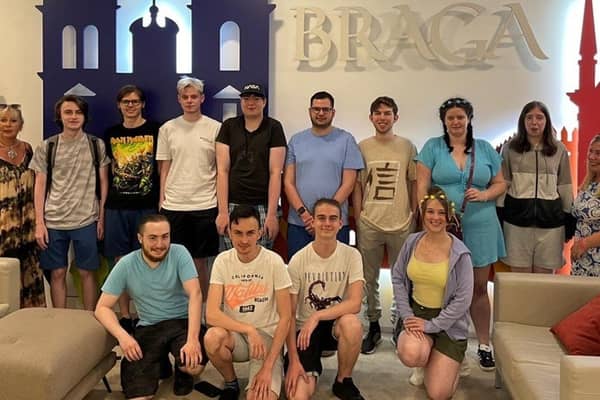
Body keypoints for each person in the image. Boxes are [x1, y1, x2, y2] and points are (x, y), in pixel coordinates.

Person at [416, 97, 505, 371]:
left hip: (482, 225)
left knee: (478, 288)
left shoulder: (485, 148)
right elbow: (421, 186)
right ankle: (450, 346)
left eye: (460, 117)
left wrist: (485, 193)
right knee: (446, 289)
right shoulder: (432, 147)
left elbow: (501, 183)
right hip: (443, 227)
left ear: (469, 119)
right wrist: (426, 219)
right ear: (444, 121)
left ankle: (484, 344)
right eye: (451, 118)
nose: (456, 122)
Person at [95, 214, 207, 399]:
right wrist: (124, 337)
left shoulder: (179, 253)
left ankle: (182, 370)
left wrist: (193, 339)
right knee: (137, 395)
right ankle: (160, 362)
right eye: (153, 238)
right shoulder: (126, 264)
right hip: (149, 326)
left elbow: (195, 294)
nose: (160, 244)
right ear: (140, 238)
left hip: (182, 321)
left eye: (165, 236)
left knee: (192, 365)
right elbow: (102, 307)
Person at [391, 186, 474, 399]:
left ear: (449, 217)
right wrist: (407, 315)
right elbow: (398, 277)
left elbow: (463, 300)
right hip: (417, 315)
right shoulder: (412, 242)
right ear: (422, 213)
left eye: (441, 213)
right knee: (411, 354)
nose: (435, 217)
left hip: (449, 324)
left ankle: (453, 361)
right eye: (430, 212)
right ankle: (425, 359)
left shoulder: (461, 253)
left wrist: (433, 325)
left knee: (438, 393)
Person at [30, 95, 110, 311]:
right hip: (53, 220)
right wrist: (39, 222)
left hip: (86, 219)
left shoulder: (96, 145)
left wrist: (101, 218)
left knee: (87, 272)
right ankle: (59, 321)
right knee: (57, 273)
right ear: (60, 116)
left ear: (84, 116)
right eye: (68, 112)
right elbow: (39, 185)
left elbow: (104, 185)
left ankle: (89, 321)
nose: (73, 117)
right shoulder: (48, 147)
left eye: (78, 112)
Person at [204, 205, 292, 400]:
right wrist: (248, 330)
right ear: (229, 232)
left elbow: (286, 318)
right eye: (238, 233)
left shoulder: (274, 262)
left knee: (259, 397)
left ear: (260, 233)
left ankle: (272, 369)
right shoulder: (222, 261)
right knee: (212, 337)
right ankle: (230, 382)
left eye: (250, 233)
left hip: (267, 338)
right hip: (237, 336)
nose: (244, 240)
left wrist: (268, 367)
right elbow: (211, 314)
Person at [352, 96, 417, 354]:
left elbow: (413, 182)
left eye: (387, 113)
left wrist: (413, 212)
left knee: (404, 277)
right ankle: (374, 325)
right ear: (371, 117)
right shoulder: (362, 146)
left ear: (395, 117)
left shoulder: (407, 147)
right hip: (370, 222)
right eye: (377, 113)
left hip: (401, 222)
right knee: (369, 279)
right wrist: (359, 215)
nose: (382, 117)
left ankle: (401, 321)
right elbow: (358, 185)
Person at [285, 198, 365, 400]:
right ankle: (302, 366)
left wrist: (318, 316)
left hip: (334, 325)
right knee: (299, 396)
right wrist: (294, 358)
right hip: (305, 332)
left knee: (352, 324)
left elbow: (355, 303)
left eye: (332, 218)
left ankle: (343, 380)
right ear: (312, 221)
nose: (327, 223)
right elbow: (289, 314)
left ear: (341, 223)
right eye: (321, 218)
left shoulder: (352, 255)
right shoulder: (298, 259)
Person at [157, 76, 222, 298]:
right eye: (185, 97)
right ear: (179, 99)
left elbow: (222, 169)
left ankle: (202, 311)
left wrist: (221, 208)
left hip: (204, 205)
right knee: (173, 261)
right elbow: (164, 168)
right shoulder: (168, 129)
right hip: (174, 205)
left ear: (202, 98)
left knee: (199, 263)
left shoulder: (215, 128)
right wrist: (162, 199)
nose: (190, 100)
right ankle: (178, 311)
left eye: (194, 96)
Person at [104, 84, 161, 331]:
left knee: (148, 260)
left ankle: (147, 314)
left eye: (135, 101)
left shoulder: (155, 131)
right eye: (126, 102)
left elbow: (161, 168)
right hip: (117, 207)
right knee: (120, 263)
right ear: (119, 105)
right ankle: (125, 315)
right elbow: (105, 173)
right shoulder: (110, 134)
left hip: (147, 206)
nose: (130, 106)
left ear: (143, 104)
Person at [284, 91, 364, 259]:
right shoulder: (296, 141)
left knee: (336, 277)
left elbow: (349, 183)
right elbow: (288, 183)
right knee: (296, 277)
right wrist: (306, 216)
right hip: (300, 224)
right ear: (310, 111)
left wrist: (325, 216)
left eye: (325, 109)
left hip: (334, 224)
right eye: (316, 109)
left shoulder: (347, 140)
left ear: (333, 112)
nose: (321, 113)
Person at [498, 101, 573, 275]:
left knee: (544, 283)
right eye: (529, 117)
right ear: (522, 121)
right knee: (519, 281)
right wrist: (500, 214)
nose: (534, 122)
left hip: (551, 225)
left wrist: (569, 217)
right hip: (516, 224)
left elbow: (565, 185)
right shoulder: (509, 149)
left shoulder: (559, 149)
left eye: (539, 117)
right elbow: (504, 183)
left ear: (547, 121)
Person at [215, 82, 286, 250]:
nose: (251, 103)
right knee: (232, 259)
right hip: (233, 204)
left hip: (263, 205)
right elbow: (222, 171)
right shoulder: (229, 126)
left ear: (264, 102)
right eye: (246, 98)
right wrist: (223, 212)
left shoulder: (274, 127)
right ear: (241, 102)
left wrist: (271, 215)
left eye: (256, 98)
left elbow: (276, 172)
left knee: (261, 260)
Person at [0, 104, 46, 308]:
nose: (7, 125)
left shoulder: (28, 149)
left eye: (13, 120)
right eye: (3, 120)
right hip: (3, 229)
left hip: (27, 226)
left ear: (21, 125)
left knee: (29, 277)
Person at [570, 135, 600, 276]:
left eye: (598, 153)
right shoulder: (589, 184)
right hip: (582, 261)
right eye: (590, 151)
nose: (592, 157)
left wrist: (585, 243)